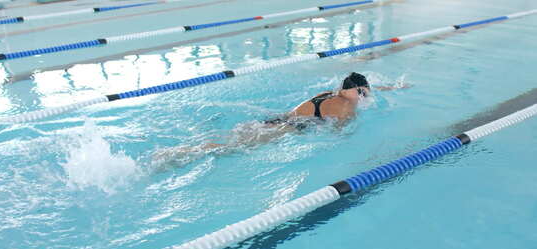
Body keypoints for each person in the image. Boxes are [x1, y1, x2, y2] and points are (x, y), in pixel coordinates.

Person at [153, 72, 405, 168]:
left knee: (232, 139)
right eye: (363, 93)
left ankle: (181, 150)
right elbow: (340, 135)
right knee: (232, 148)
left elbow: (365, 90)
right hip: (288, 129)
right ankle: (178, 154)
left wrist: (392, 87)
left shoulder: (329, 93)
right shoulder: (347, 107)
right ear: (359, 92)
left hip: (277, 119)